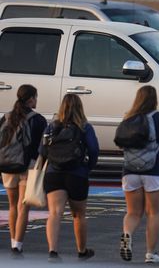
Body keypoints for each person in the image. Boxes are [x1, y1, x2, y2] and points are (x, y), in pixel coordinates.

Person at [119, 86, 159, 264]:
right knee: (153, 213)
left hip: (130, 171)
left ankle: (127, 235)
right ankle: (150, 253)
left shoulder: (128, 118)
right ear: (154, 99)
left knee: (133, 212)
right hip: (153, 171)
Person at [41, 94, 99, 261]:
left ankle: (53, 250)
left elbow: (43, 151)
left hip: (54, 173)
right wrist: (88, 167)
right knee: (79, 214)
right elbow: (94, 150)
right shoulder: (85, 127)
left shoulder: (52, 127)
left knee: (54, 213)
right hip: (77, 173)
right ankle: (81, 250)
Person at [0, 84, 47, 255]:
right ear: (31, 99)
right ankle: (17, 245)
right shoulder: (38, 120)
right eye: (35, 97)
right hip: (28, 166)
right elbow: (42, 147)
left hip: (6, 165)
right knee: (23, 206)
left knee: (12, 205)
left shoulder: (6, 117)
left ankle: (13, 240)